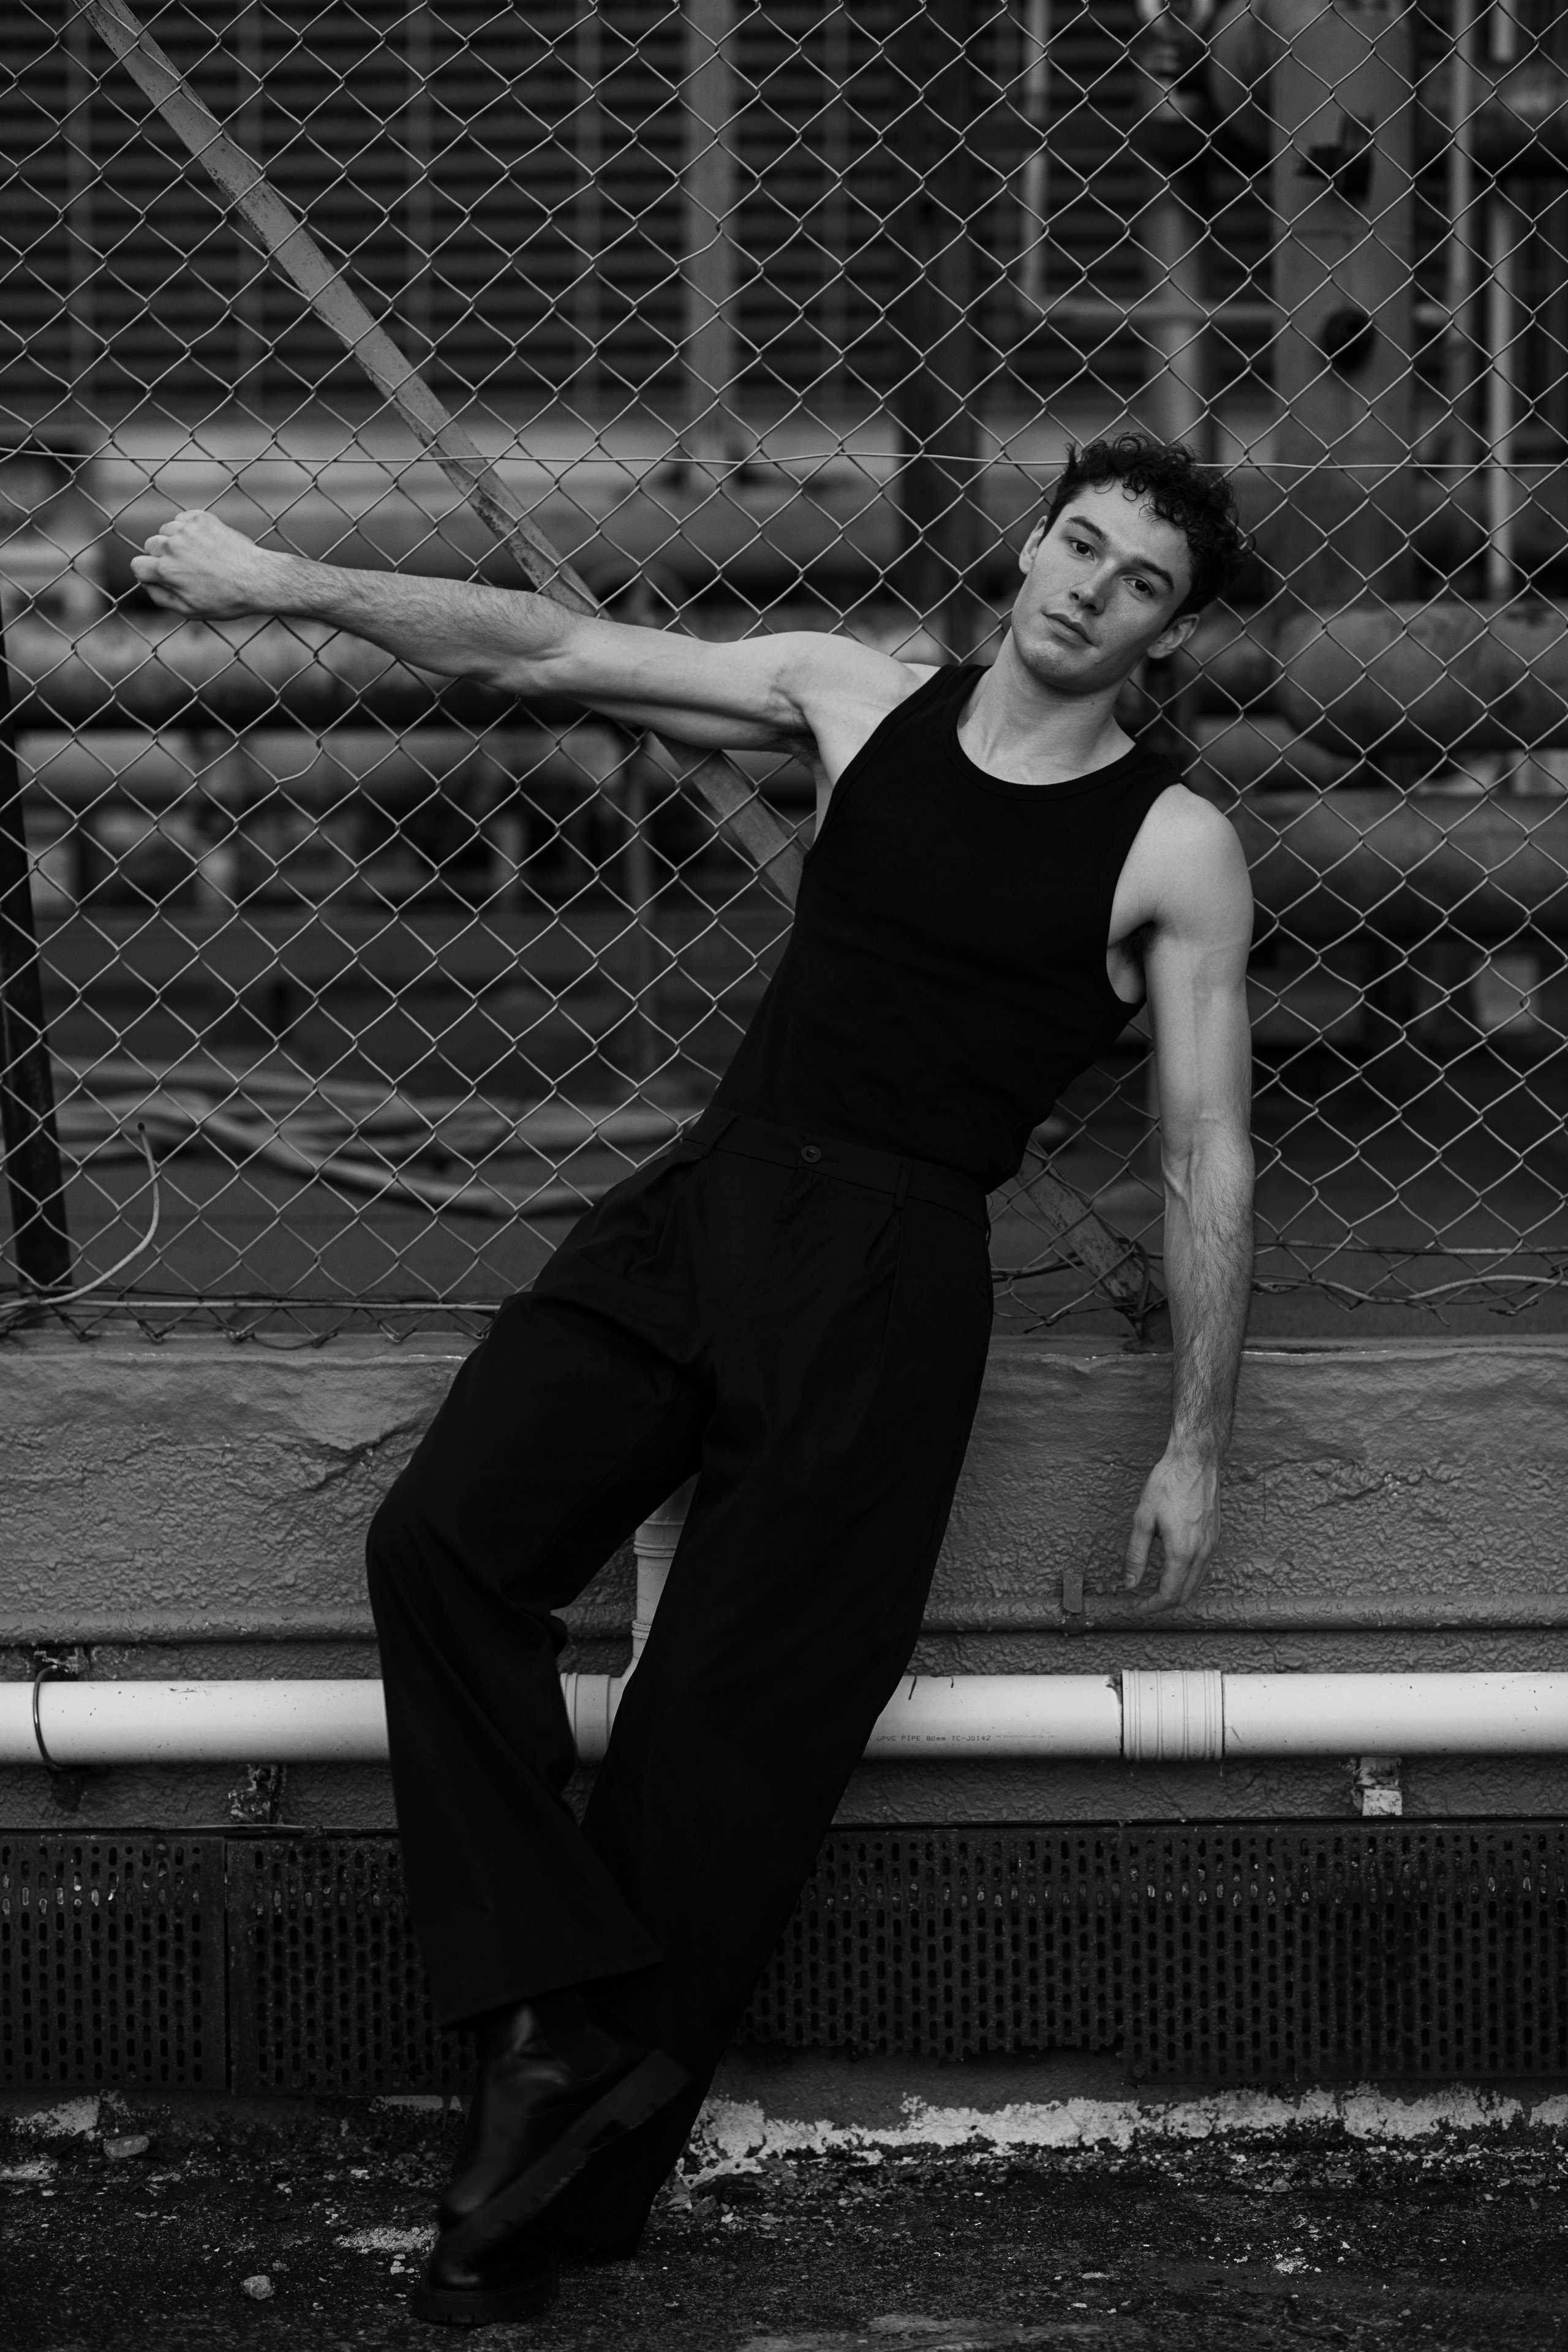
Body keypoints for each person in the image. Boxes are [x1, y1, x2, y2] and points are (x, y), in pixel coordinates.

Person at [134, 431, 1255, 2328]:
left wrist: (1200, 1441)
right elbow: (548, 655)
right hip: (713, 1197)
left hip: (894, 1280)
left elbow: (1204, 1150)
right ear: (1029, 547)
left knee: (721, 1748)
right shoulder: (850, 697)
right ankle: (550, 2036)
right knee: (445, 1545)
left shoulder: (1173, 844)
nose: (1088, 591)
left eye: (1138, 581)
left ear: (1169, 628)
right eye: (1078, 546)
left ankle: (541, 2201)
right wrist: (279, 578)